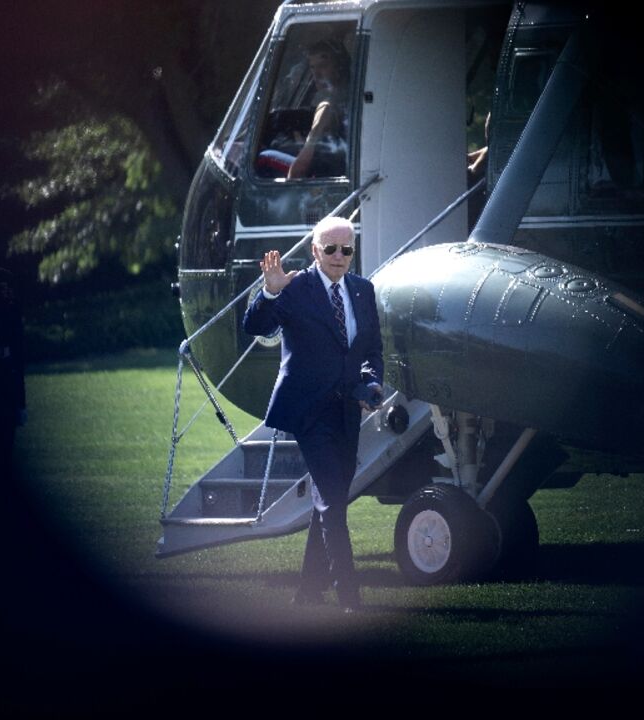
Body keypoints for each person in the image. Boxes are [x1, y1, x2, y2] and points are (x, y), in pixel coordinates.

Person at [243, 216, 384, 612]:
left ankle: (307, 590)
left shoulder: (362, 290)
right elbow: (253, 325)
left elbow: (372, 350)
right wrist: (269, 294)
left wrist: (371, 385)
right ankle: (349, 596)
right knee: (332, 502)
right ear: (315, 250)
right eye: (331, 249)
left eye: (347, 249)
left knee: (331, 496)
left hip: (347, 410)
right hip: (309, 412)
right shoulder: (295, 287)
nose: (339, 256)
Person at [286, 39, 352, 179]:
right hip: (340, 170)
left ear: (339, 67)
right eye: (312, 67)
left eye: (323, 66)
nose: (316, 75)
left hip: (326, 175)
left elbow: (299, 169)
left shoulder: (327, 108)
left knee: (264, 157)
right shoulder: (351, 99)